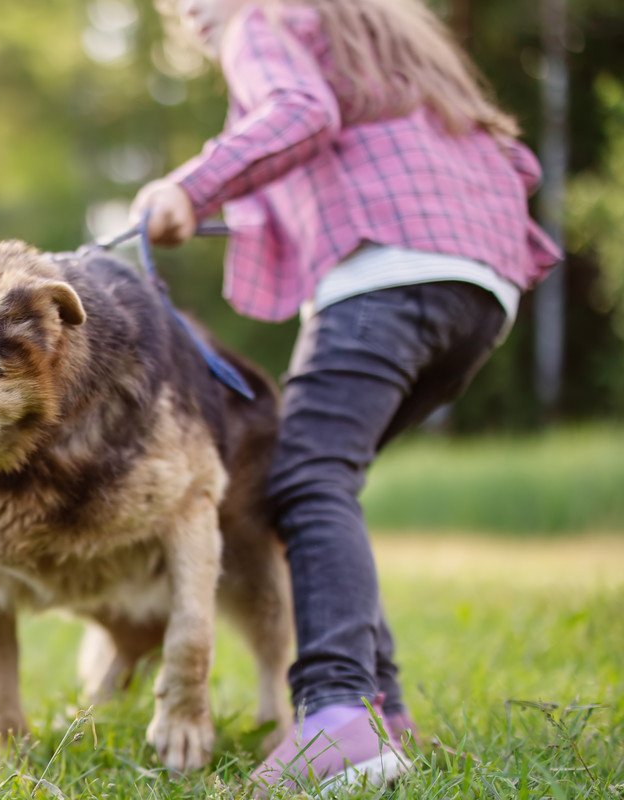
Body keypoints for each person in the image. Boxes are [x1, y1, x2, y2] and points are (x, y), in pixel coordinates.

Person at [130, 0, 561, 793]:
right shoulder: (387, 53)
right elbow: (509, 165)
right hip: (479, 293)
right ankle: (383, 719)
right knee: (323, 481)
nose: (189, 12)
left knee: (304, 479)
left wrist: (189, 185)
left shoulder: (261, 21)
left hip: (383, 283)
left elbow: (298, 112)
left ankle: (336, 712)